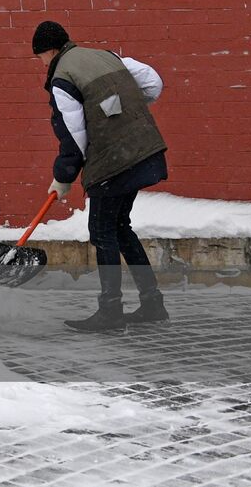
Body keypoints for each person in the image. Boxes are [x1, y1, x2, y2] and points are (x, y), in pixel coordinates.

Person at [31, 20, 169, 333]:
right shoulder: (107, 56)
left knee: (103, 230)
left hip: (114, 162)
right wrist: (121, 117)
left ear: (48, 52)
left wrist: (63, 176)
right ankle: (152, 304)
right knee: (121, 228)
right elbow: (152, 83)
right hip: (143, 151)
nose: (40, 64)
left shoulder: (62, 78)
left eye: (39, 57)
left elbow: (73, 135)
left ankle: (111, 312)